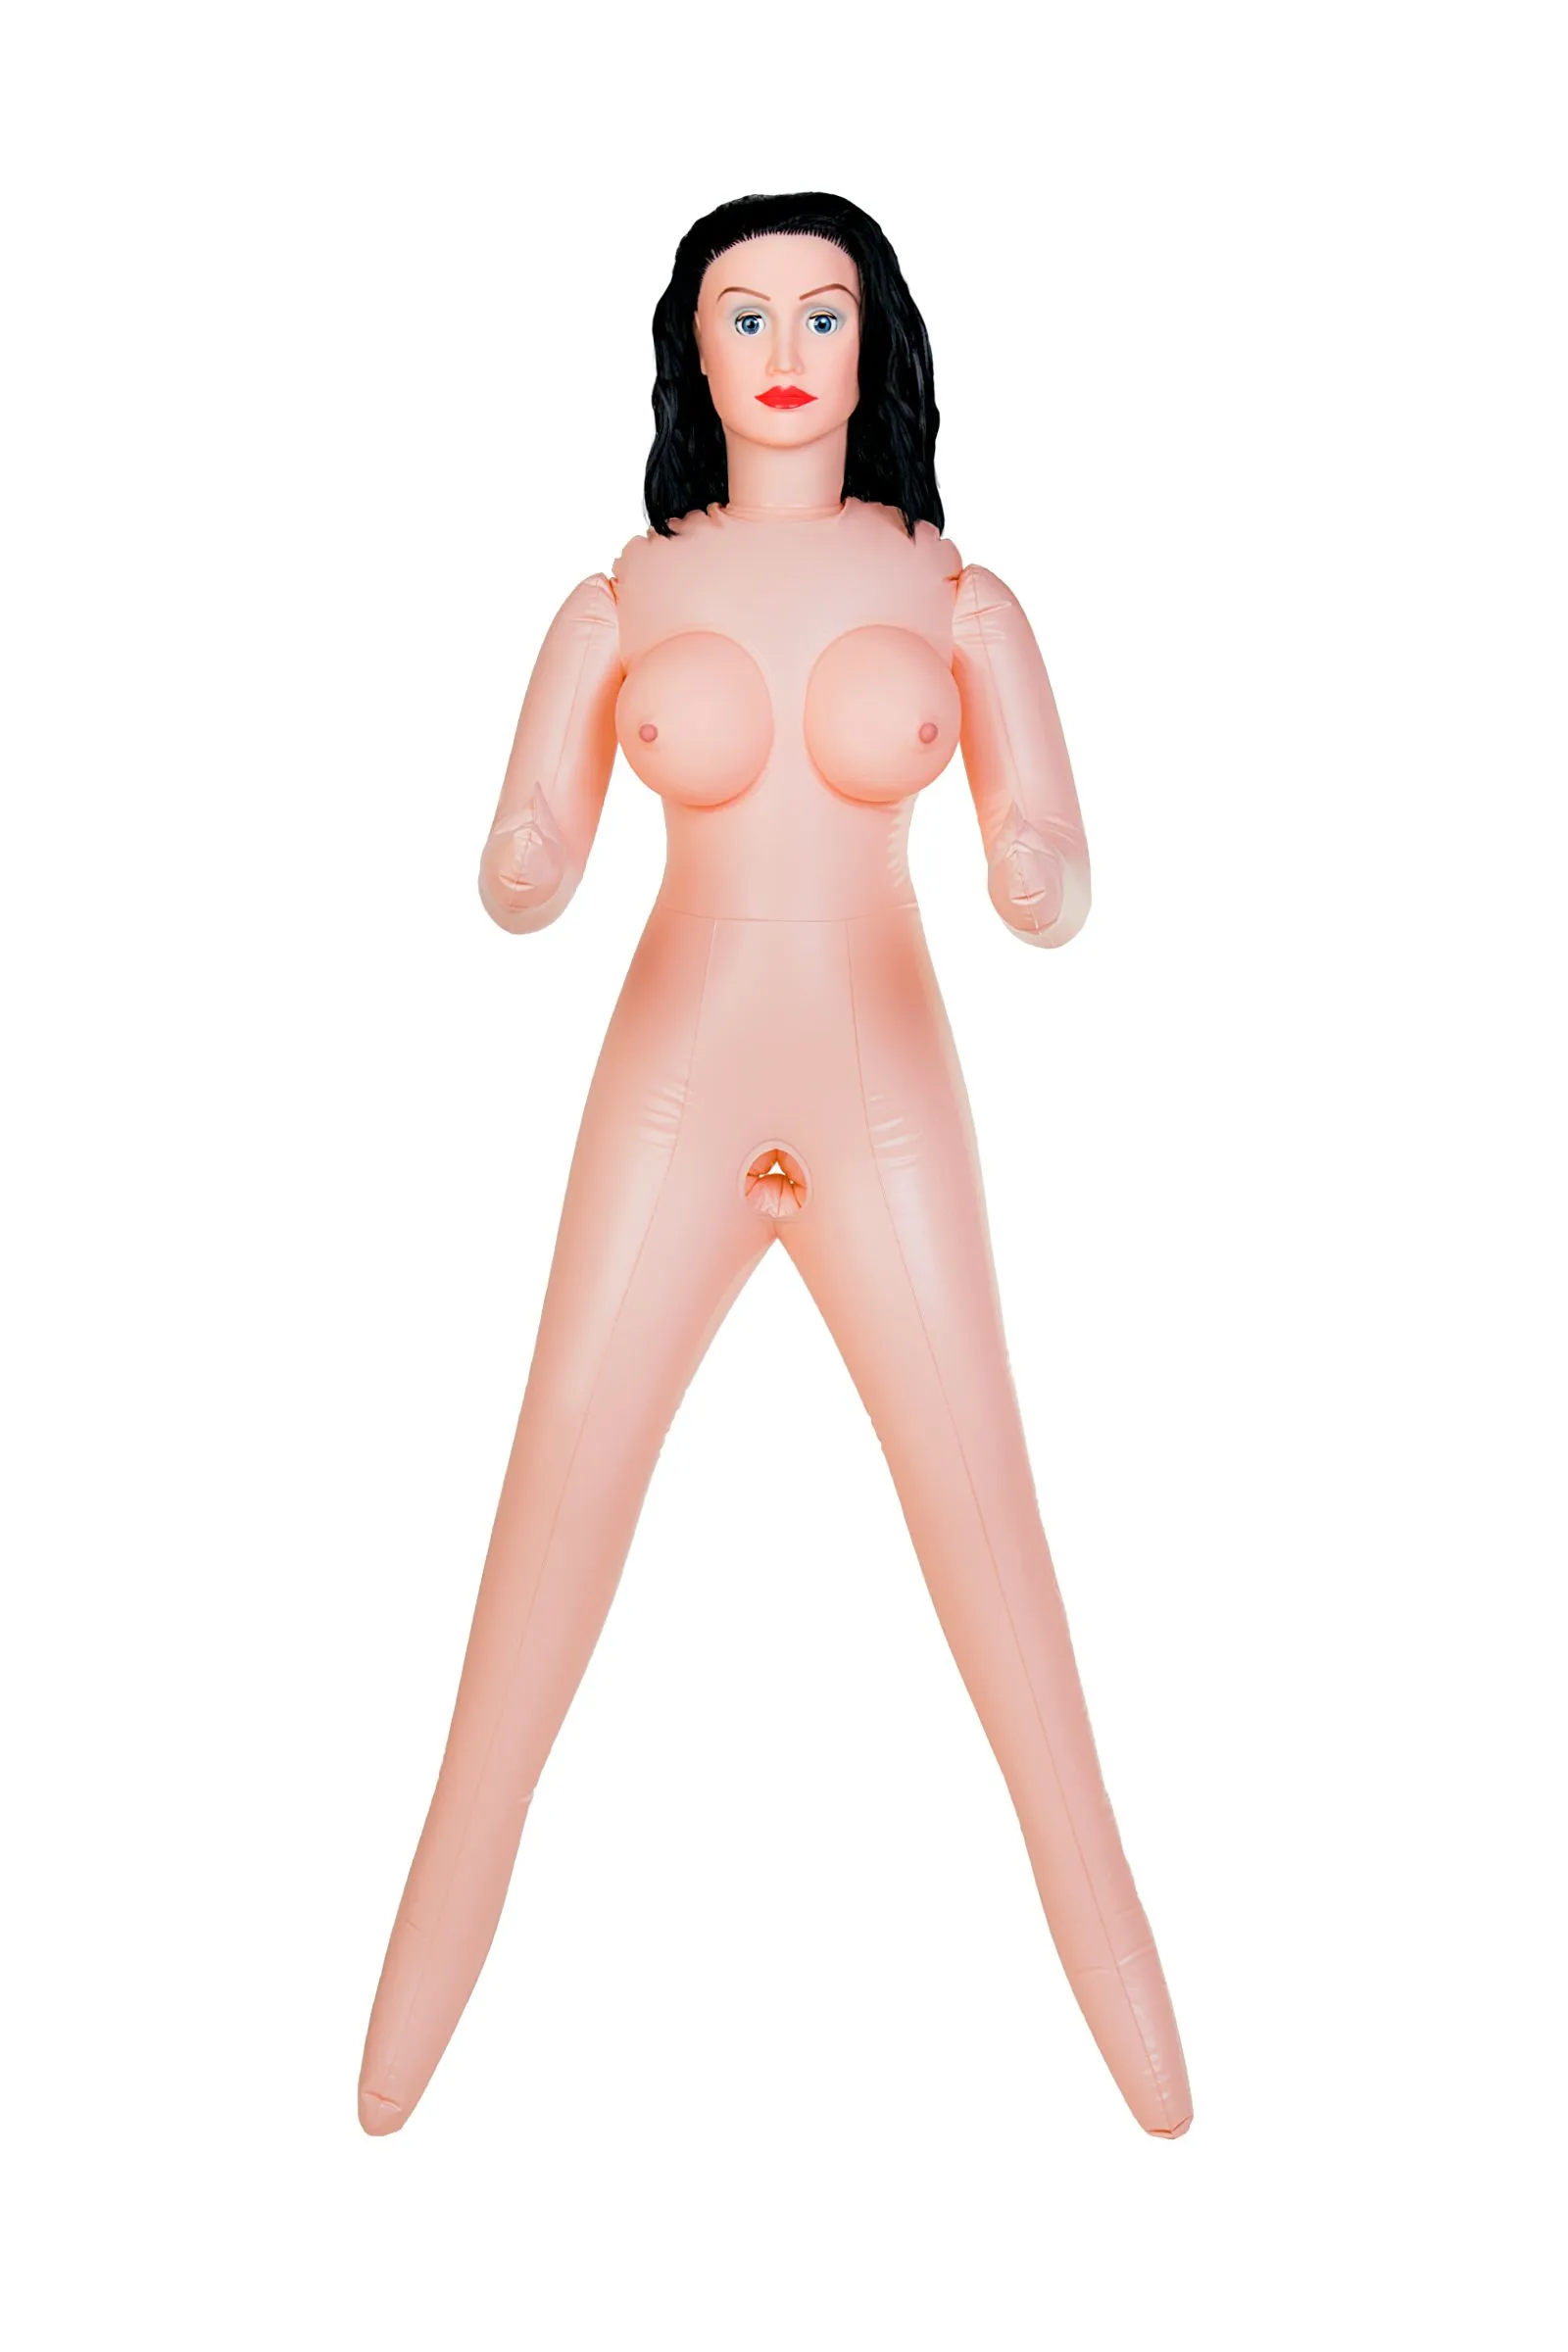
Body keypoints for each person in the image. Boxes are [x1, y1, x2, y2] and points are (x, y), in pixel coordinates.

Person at [358, 190, 1194, 2139]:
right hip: (671, 1085)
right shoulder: (623, 600)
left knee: (993, 1543)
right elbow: (529, 851)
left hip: (881, 1096)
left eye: (821, 312)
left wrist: (1033, 876)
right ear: (692, 350)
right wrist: (519, 868)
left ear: (873, 338)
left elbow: (1056, 866)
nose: (786, 350)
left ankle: (1145, 2043)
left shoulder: (957, 597)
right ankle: (399, 2032)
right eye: (744, 315)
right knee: (544, 1529)